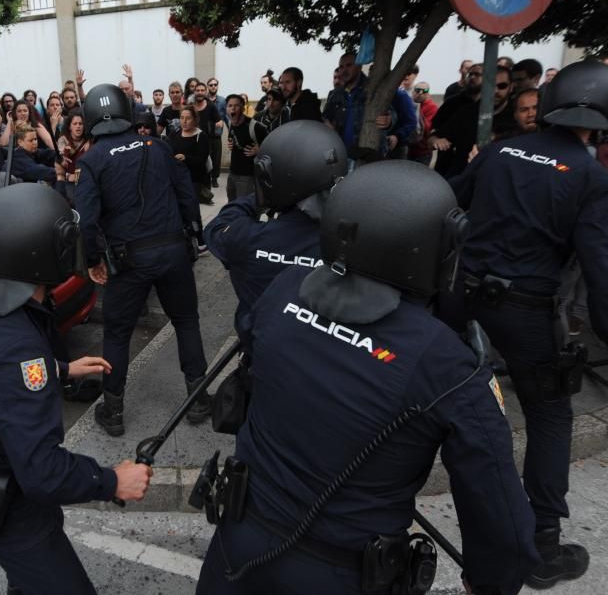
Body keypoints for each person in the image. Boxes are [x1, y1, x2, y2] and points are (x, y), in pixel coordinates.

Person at [198, 161, 539, 594]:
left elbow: (256, 350)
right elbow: (501, 518)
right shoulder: (444, 361)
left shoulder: (285, 287)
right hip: (343, 572)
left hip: (236, 543)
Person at [438, 60, 608, 589]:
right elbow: (605, 279)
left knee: (437, 393)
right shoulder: (591, 179)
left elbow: (450, 200)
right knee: (549, 415)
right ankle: (540, 543)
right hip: (525, 311)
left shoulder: (499, 150)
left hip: (462, 295)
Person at [0, 182, 152, 593]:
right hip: (6, 503)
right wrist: (112, 480)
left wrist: (56, 369)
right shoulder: (16, 344)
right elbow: (43, 472)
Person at [75, 84, 210, 437]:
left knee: (117, 333)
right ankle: (198, 400)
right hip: (173, 251)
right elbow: (186, 194)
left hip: (129, 260)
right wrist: (197, 235)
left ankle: (114, 411)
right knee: (186, 321)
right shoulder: (159, 147)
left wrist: (92, 260)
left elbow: (86, 220)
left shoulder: (92, 161)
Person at [205, 121, 346, 340]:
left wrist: (263, 197)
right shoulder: (352, 245)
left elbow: (218, 228)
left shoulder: (251, 238)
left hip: (261, 357)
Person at [223, 94, 269, 201]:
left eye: (236, 106)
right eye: (230, 106)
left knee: (245, 207)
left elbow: (272, 147)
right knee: (232, 205)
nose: (233, 109)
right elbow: (234, 140)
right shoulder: (230, 123)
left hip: (248, 176)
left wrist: (260, 150)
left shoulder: (256, 127)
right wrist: (231, 144)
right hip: (232, 173)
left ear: (243, 108)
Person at [168, 105, 212, 205]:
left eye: (188, 118)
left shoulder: (201, 136)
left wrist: (185, 158)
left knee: (191, 209)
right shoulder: (174, 134)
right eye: (182, 118)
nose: (184, 121)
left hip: (193, 180)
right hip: (177, 178)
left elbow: (201, 160)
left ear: (195, 119)